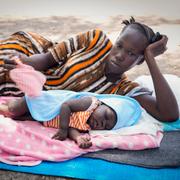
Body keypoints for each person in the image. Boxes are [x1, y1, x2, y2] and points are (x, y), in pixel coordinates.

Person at [0, 17, 179, 122]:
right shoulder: (95, 40)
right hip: (33, 61)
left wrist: (149, 56)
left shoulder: (122, 89)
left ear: (140, 61)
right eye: (119, 45)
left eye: (132, 54)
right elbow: (47, 59)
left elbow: (169, 114)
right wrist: (25, 62)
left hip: (33, 97)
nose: (119, 55)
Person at [0, 90, 142, 149]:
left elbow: (71, 126)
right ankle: (8, 106)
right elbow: (66, 106)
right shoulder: (89, 104)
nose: (101, 123)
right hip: (41, 104)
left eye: (106, 126)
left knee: (18, 117)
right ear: (102, 104)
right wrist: (62, 130)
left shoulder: (87, 125)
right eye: (106, 116)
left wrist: (78, 138)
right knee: (12, 110)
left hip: (41, 118)